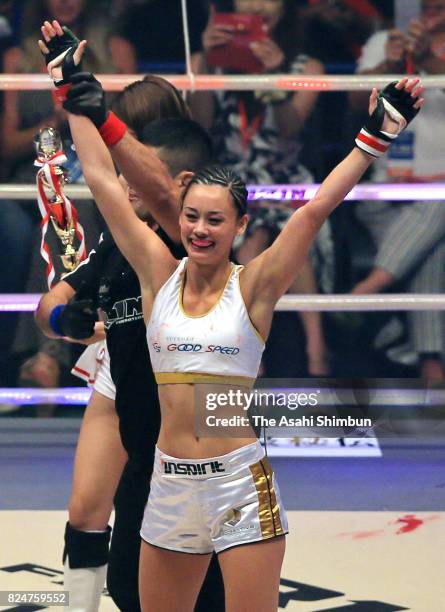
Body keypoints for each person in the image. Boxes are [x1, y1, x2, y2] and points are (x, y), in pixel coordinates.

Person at [40, 19, 424, 611]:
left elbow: (316, 209)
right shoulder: (155, 276)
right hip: (167, 484)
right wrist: (70, 90)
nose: (198, 229)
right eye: (190, 217)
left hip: (239, 484)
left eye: (215, 221)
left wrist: (376, 136)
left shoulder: (256, 288)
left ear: (240, 227)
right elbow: (101, 182)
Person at [35, 84, 224, 611]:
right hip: (131, 385)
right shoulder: (124, 234)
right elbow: (99, 180)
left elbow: (140, 191)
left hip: (194, 416)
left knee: (197, 580)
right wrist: (67, 319)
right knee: (105, 538)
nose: (124, 176)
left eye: (131, 153)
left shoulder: (191, 235)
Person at [349, 0, 445, 380]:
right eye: (425, 7)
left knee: (438, 215)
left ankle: (368, 293)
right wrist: (393, 63)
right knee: (432, 245)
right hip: (383, 194)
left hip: (437, 193)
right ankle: (429, 360)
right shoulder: (383, 43)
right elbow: (355, 102)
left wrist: (431, 63)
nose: (430, 14)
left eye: (439, 8)